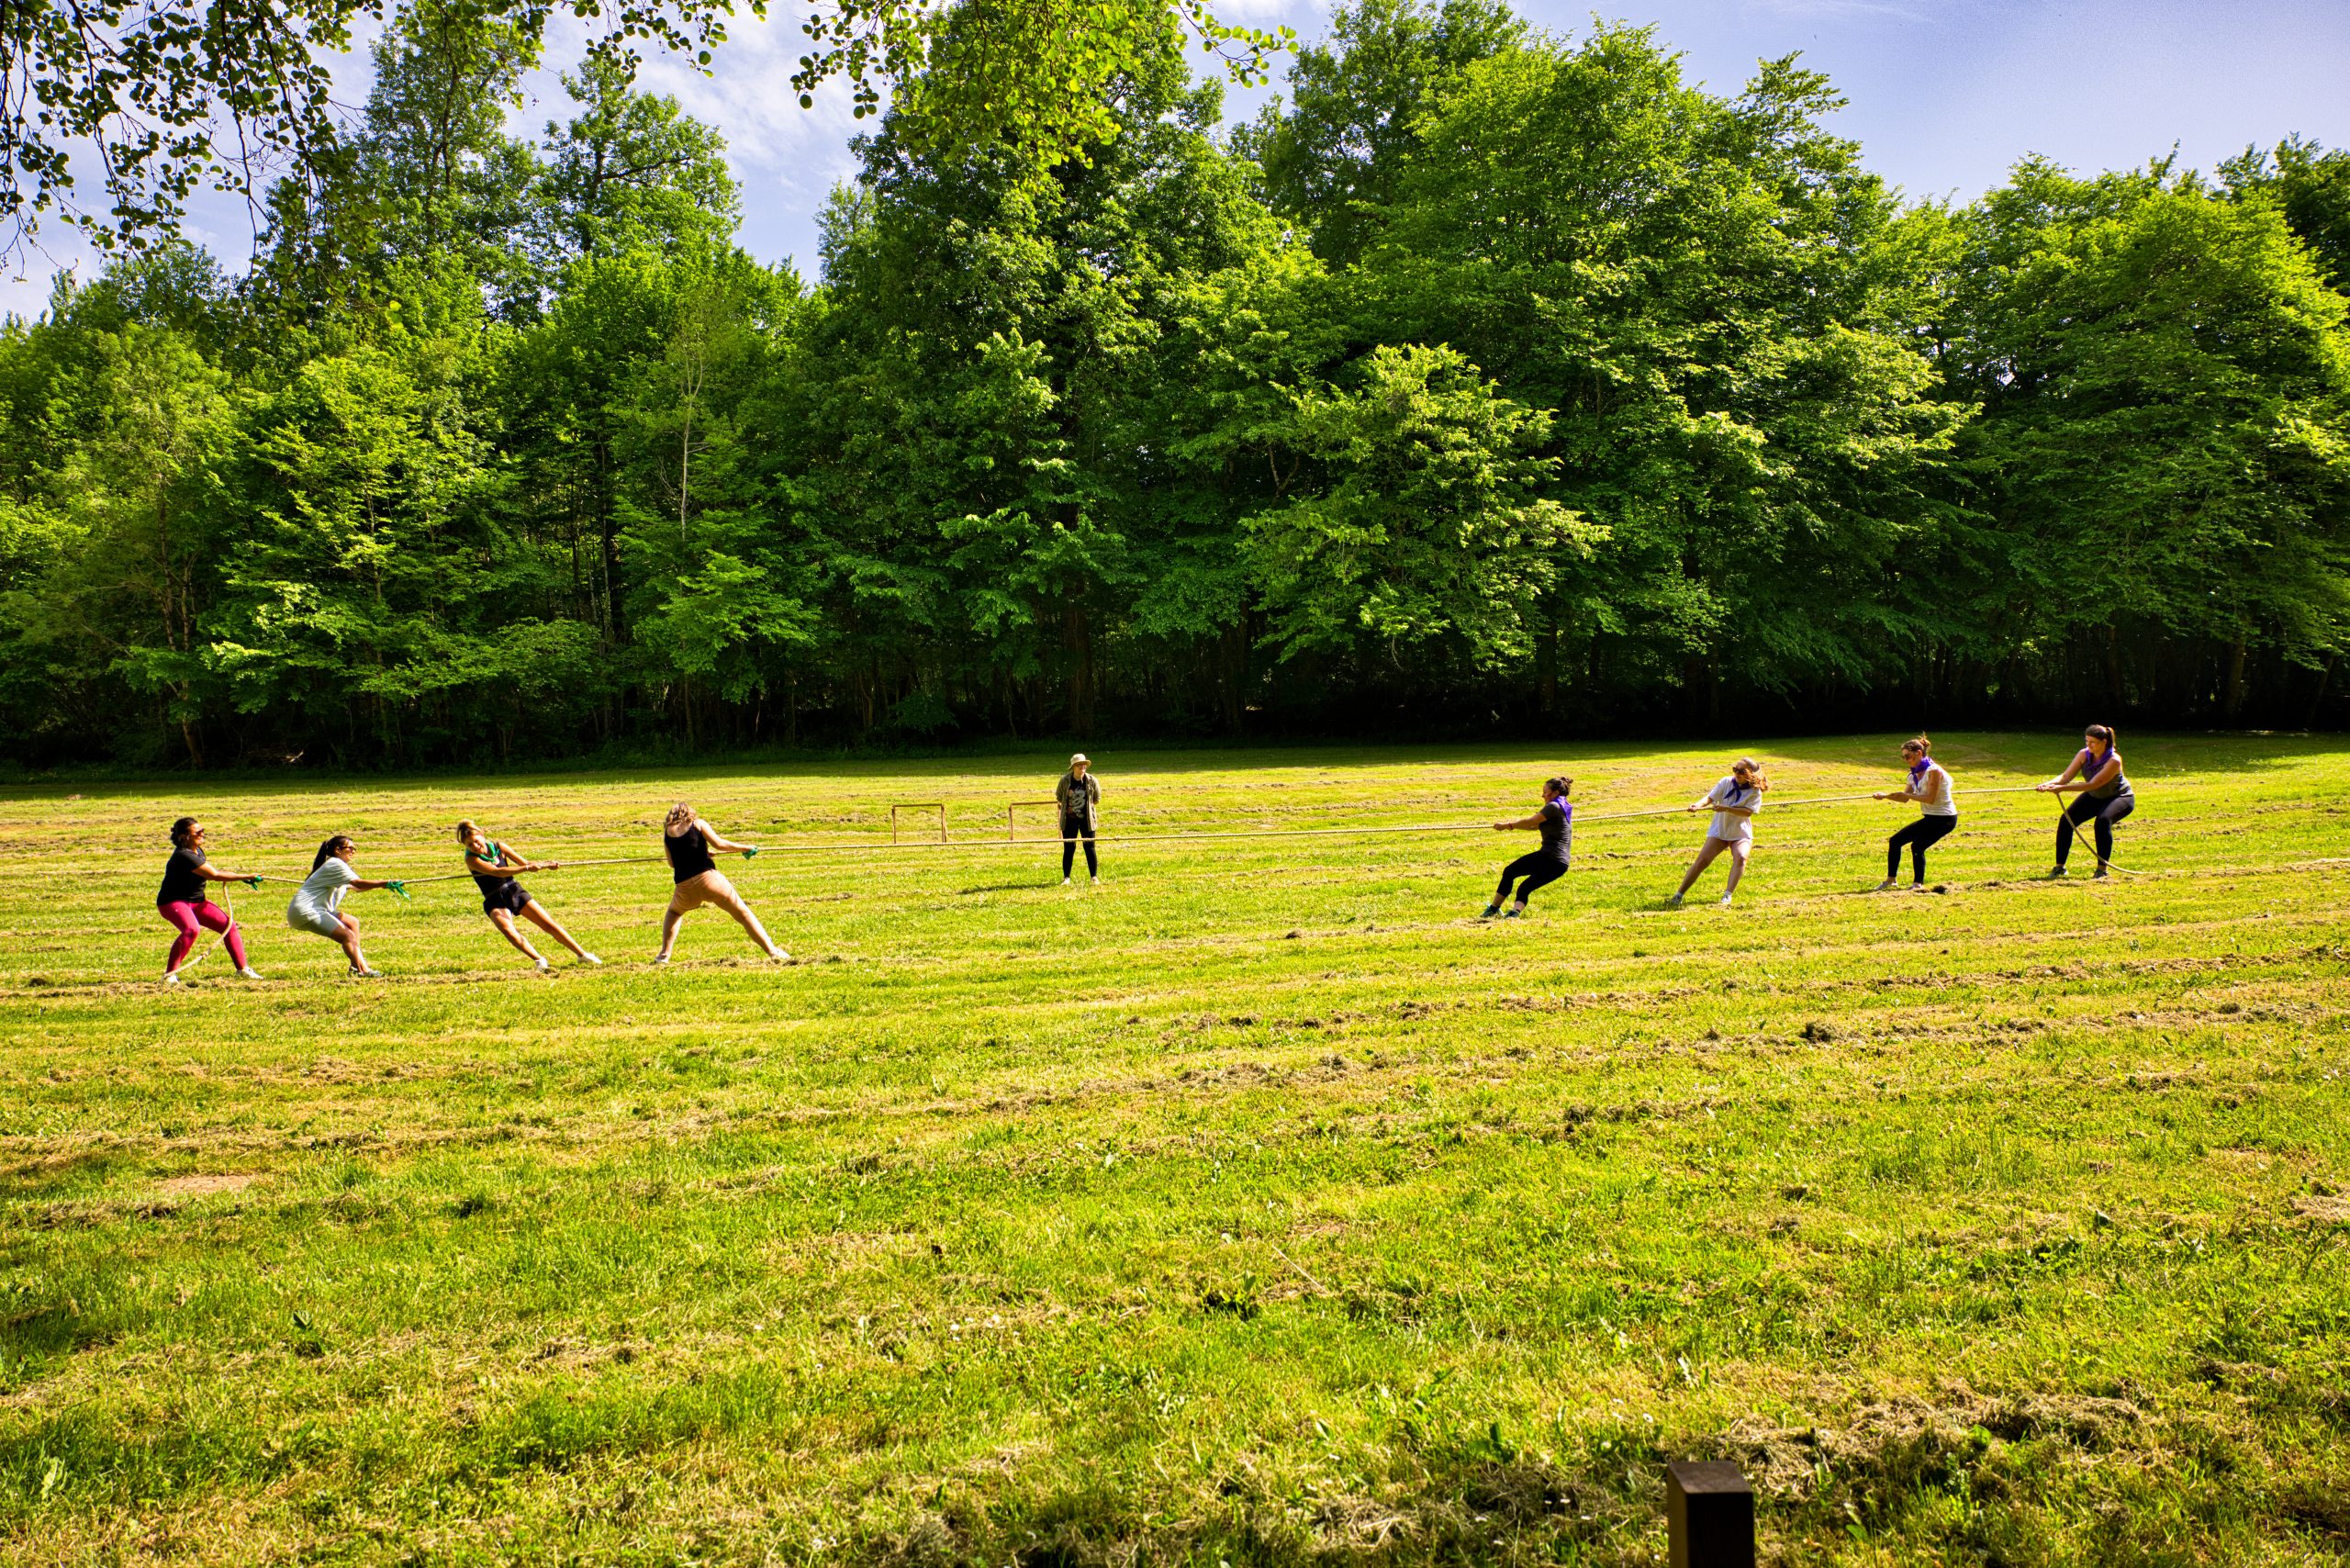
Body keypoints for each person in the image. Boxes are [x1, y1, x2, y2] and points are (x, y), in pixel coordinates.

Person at [456, 821, 600, 970]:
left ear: (482, 835)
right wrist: (525, 868)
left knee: (548, 924)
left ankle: (582, 955)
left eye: (476, 841)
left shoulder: (500, 847)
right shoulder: (471, 859)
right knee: (508, 930)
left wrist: (546, 865)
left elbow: (525, 862)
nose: (475, 846)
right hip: (494, 897)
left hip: (513, 891)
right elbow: (497, 872)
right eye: (470, 845)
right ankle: (539, 960)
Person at [655, 802, 786, 963]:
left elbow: (672, 863)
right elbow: (720, 844)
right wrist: (745, 848)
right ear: (689, 813)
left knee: (674, 913)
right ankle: (773, 952)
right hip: (710, 881)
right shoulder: (698, 824)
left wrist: (702, 852)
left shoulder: (667, 833)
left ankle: (664, 955)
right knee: (743, 914)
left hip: (685, 888)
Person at [157, 816, 266, 984]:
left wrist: (238, 877)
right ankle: (169, 975)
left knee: (229, 926)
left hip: (197, 902)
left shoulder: (197, 850)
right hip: (173, 902)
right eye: (198, 832)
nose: (203, 834)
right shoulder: (184, 855)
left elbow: (210, 871)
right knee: (191, 930)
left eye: (203, 831)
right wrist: (246, 876)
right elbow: (213, 875)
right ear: (185, 836)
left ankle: (243, 970)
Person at [285, 834, 400, 976]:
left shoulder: (340, 866)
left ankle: (355, 966)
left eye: (355, 849)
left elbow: (358, 888)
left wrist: (384, 885)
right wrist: (384, 882)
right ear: (337, 850)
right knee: (347, 936)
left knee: (352, 922)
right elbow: (358, 883)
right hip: (306, 911)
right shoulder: (335, 864)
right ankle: (363, 970)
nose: (353, 851)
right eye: (350, 848)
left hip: (318, 909)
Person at [1668, 757, 1769, 908]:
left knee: (1741, 857)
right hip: (1719, 832)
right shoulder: (1726, 782)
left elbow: (1747, 813)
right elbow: (1710, 798)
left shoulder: (1755, 792)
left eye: (1741, 771)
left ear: (1751, 774)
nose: (1737, 773)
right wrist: (1698, 805)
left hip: (1740, 833)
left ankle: (1727, 895)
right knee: (1701, 862)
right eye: (1735, 769)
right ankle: (1678, 895)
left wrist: (1726, 808)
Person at [2037, 723, 2134, 878]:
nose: (2088, 745)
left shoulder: (2114, 761)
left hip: (2119, 797)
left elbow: (2093, 784)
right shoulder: (2084, 754)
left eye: (2092, 742)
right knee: (2066, 820)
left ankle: (2102, 870)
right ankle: (2059, 868)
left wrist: (2061, 789)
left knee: (2102, 821)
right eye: (2087, 741)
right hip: (2095, 796)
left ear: (2104, 742)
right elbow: (2066, 776)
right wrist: (2049, 784)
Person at [1482, 777, 1573, 919]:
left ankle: (1493, 909)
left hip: (1549, 857)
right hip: (1561, 864)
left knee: (1510, 872)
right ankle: (1513, 915)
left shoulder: (1553, 807)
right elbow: (1533, 826)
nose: (1542, 795)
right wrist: (1512, 827)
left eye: (1545, 792)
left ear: (1555, 793)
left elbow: (1531, 821)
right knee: (1525, 888)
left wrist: (1507, 826)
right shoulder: (1563, 806)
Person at [1874, 737, 1959, 890]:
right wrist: (1885, 796)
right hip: (1930, 818)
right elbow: (1904, 798)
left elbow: (1930, 799)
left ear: (1919, 753)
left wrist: (1906, 795)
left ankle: (1917, 884)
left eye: (1908, 756)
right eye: (1903, 757)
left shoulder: (1934, 771)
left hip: (1945, 819)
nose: (1906, 760)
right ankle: (1891, 880)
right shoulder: (1913, 774)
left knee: (1917, 846)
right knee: (1895, 841)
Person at [1056, 753, 1101, 886]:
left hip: (1087, 820)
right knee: (1069, 848)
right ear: (1074, 767)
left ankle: (1094, 877)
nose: (1083, 767)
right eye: (1080, 765)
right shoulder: (1065, 781)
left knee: (1090, 847)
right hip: (1069, 820)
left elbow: (1096, 799)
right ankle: (1066, 878)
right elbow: (1059, 797)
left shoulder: (1092, 780)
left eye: (1084, 764)